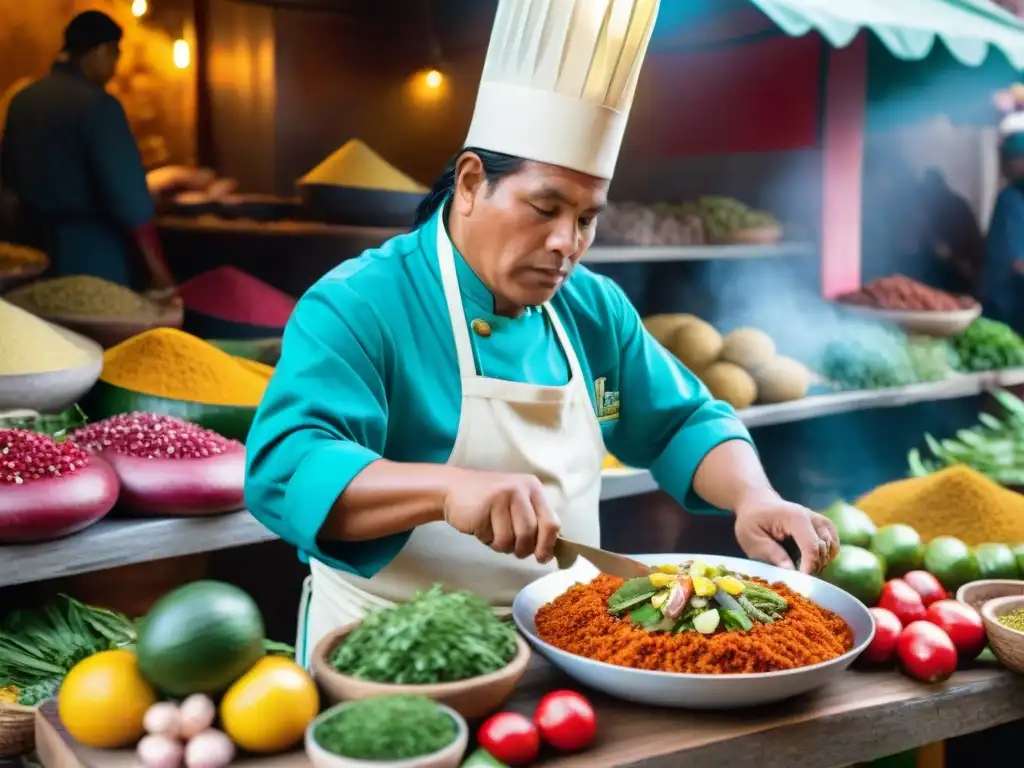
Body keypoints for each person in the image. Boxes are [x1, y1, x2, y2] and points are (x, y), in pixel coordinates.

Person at [243, 0, 840, 666]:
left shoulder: (591, 307)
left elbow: (682, 421)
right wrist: (447, 490)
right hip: (387, 657)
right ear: (471, 183)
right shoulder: (359, 305)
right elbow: (285, 468)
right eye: (545, 208)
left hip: (566, 648)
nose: (567, 244)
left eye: (587, 219)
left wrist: (752, 496)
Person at [0, 11, 176, 299]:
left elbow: (7, 181)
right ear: (98, 51)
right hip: (92, 257)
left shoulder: (22, 100)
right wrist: (158, 270)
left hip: (30, 256)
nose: (115, 68)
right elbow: (129, 200)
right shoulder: (100, 107)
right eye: (114, 56)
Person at [983, 113, 1024, 331]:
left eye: (1005, 160)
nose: (1002, 167)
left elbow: (1017, 264)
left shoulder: (1010, 199)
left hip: (1007, 311)